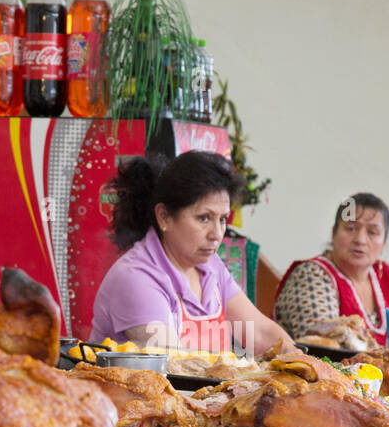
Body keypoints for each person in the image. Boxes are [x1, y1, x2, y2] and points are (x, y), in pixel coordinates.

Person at [90, 151, 291, 354]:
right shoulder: (136, 277)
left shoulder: (211, 266)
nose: (217, 234)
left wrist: (309, 366)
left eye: (222, 219)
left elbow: (259, 332)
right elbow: (173, 364)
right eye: (204, 218)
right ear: (164, 217)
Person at [272, 192, 389, 344]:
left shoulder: (388, 276)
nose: (360, 240)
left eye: (372, 232)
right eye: (350, 228)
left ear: (384, 242)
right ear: (333, 233)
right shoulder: (311, 274)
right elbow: (325, 345)